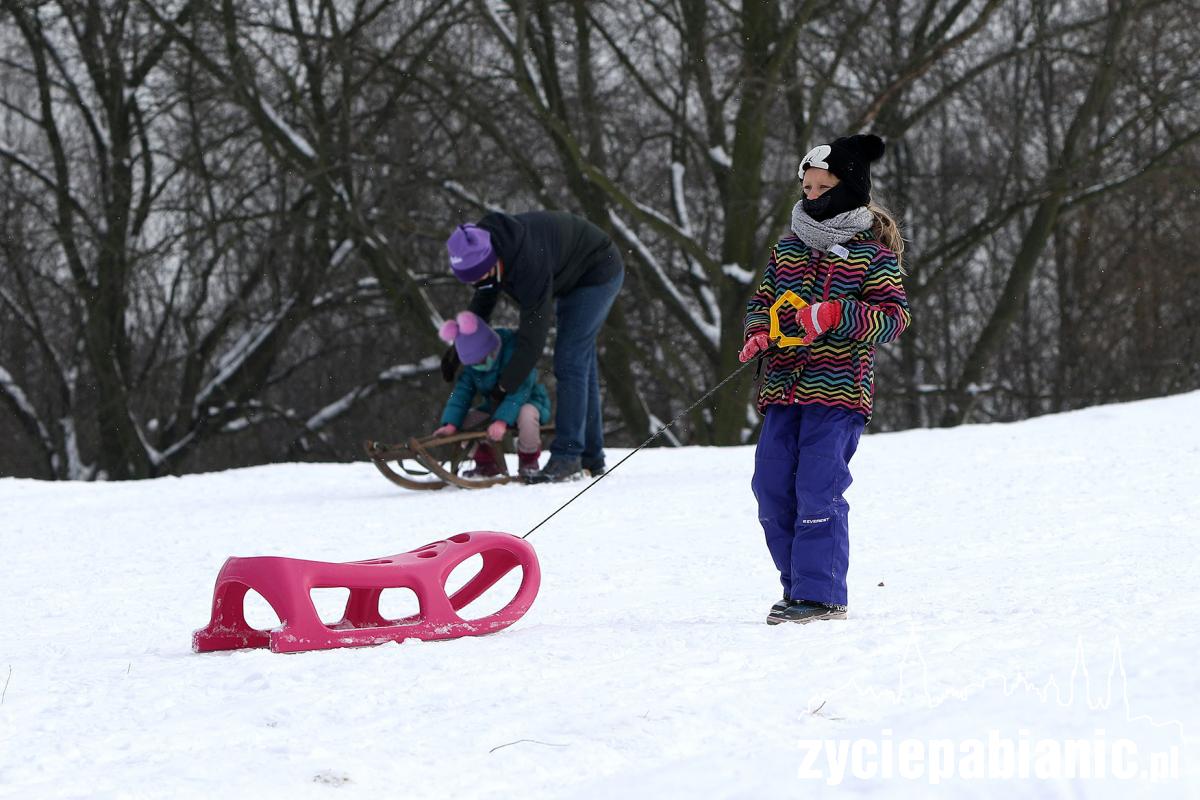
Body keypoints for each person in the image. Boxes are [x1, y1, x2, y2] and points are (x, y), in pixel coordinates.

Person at [739, 133, 912, 624]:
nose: (811, 197)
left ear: (848, 188)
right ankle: (796, 589)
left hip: (838, 393)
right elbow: (761, 303)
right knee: (772, 489)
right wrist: (758, 334)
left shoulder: (871, 256)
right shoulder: (788, 250)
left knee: (818, 487)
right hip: (782, 390)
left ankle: (820, 595)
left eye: (822, 188)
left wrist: (835, 314)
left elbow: (893, 319)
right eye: (806, 188)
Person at [444, 210, 624, 482]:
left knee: (570, 359)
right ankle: (592, 458)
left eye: (480, 277)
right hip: (567, 273)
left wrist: (505, 385)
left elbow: (532, 340)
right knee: (580, 362)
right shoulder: (483, 246)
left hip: (596, 271)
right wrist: (458, 349)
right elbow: (484, 299)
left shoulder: (529, 264)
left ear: (493, 260)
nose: (478, 284)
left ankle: (568, 457)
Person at [434, 311, 552, 479]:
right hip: (494, 405)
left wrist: (501, 421)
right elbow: (461, 394)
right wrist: (451, 424)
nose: (477, 366)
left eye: (480, 361)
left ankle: (528, 460)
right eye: (473, 364)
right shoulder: (473, 368)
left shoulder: (516, 353)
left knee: (527, 415)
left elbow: (520, 392)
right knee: (463, 423)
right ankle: (486, 462)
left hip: (528, 399)